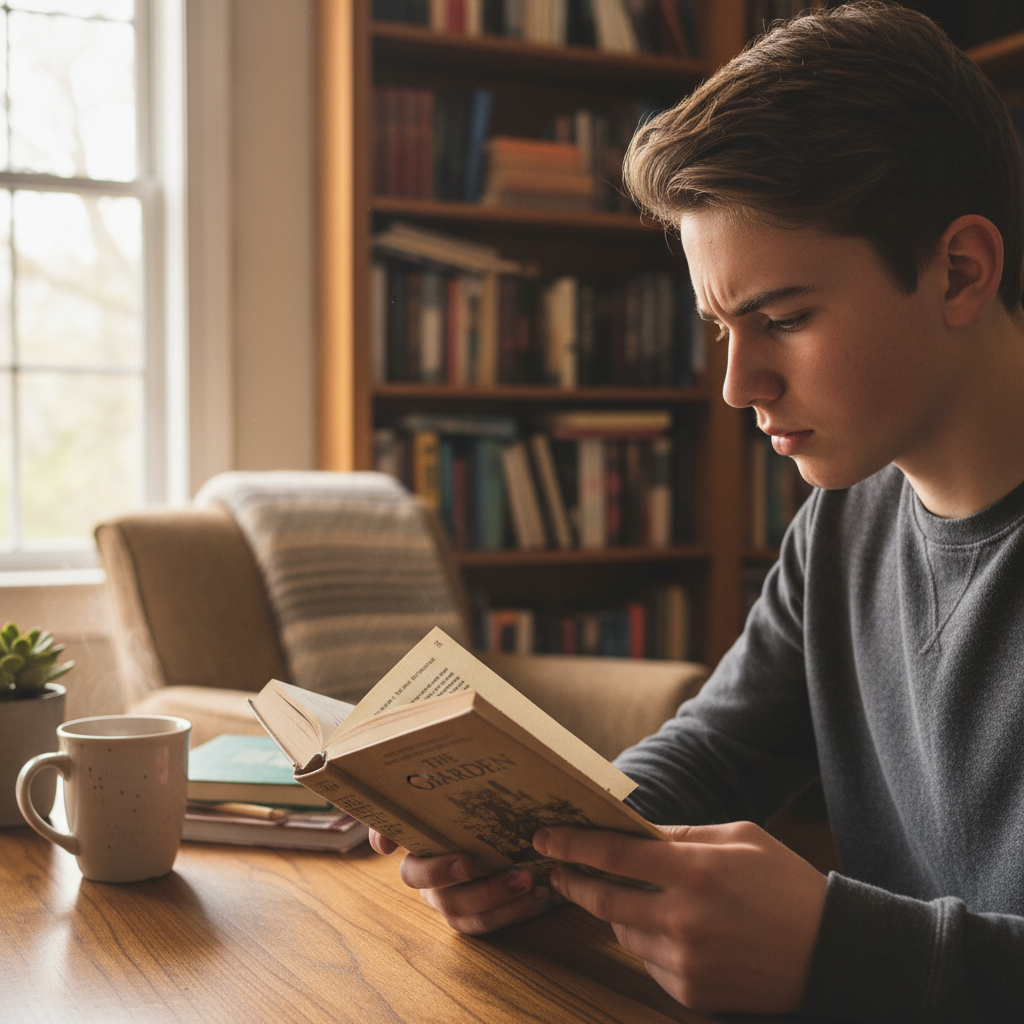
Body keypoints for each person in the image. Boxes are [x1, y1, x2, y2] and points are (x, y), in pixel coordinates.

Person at [370, 4, 1024, 1019]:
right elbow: (717, 748)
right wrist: (533, 844)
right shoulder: (841, 523)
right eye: (721, 326)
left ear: (960, 271)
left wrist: (840, 949)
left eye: (785, 319)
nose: (737, 384)